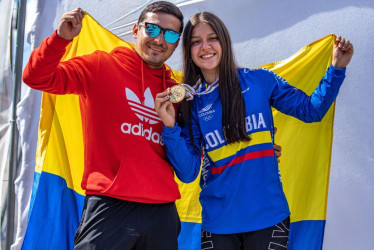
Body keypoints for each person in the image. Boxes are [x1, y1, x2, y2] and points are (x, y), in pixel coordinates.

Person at [155, 12, 353, 249]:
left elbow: (311, 110)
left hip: (269, 218)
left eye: (212, 38)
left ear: (225, 42)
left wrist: (336, 69)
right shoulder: (191, 101)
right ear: (189, 50)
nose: (205, 47)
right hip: (218, 224)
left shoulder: (260, 80)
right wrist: (169, 127)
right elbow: (188, 173)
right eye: (196, 41)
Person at [23, 2, 185, 249]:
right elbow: (36, 77)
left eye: (171, 34)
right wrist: (60, 39)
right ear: (135, 30)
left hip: (161, 212)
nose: (160, 39)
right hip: (109, 205)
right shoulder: (101, 66)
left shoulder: (176, 91)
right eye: (152, 29)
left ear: (176, 43)